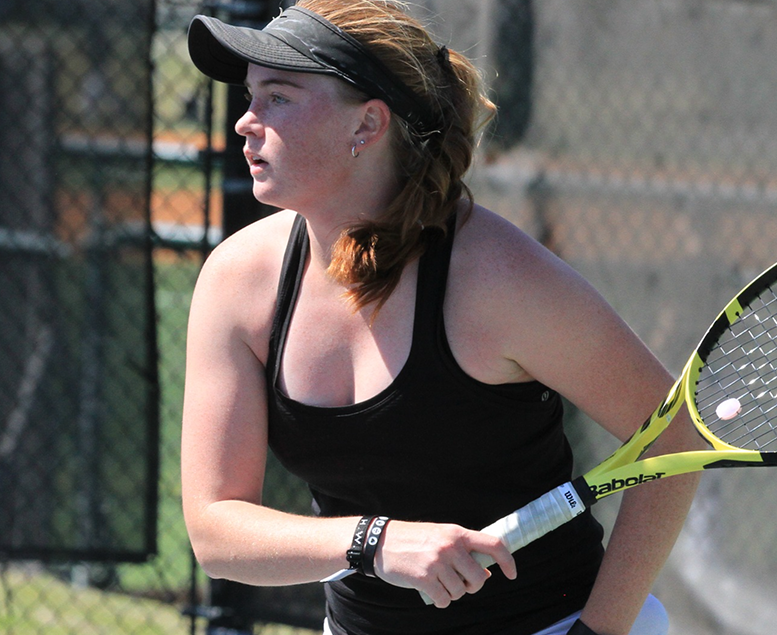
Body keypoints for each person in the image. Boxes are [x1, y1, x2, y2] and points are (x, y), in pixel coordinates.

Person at [180, 2, 703, 634]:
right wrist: (375, 542)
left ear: (367, 124)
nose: (245, 122)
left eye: (279, 98)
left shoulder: (499, 279)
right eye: (249, 96)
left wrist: (598, 633)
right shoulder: (237, 281)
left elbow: (672, 438)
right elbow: (216, 528)